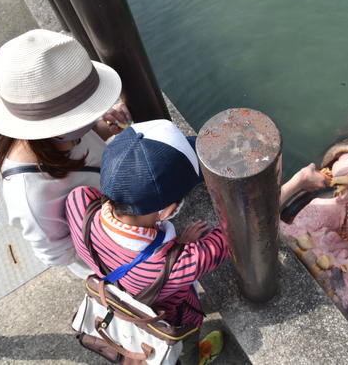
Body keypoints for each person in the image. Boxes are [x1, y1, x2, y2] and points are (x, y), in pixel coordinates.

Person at [65, 119, 330, 364]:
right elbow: (244, 227)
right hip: (172, 319)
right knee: (184, 348)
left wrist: (173, 243)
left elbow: (124, 249)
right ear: (168, 210)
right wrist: (299, 182)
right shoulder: (182, 264)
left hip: (120, 288)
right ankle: (195, 357)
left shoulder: (79, 204)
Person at [0, 29, 131, 278]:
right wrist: (118, 227)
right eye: (87, 113)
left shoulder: (56, 136)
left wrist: (102, 127)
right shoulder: (30, 196)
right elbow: (57, 255)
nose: (94, 114)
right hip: (115, 261)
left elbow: (79, 140)